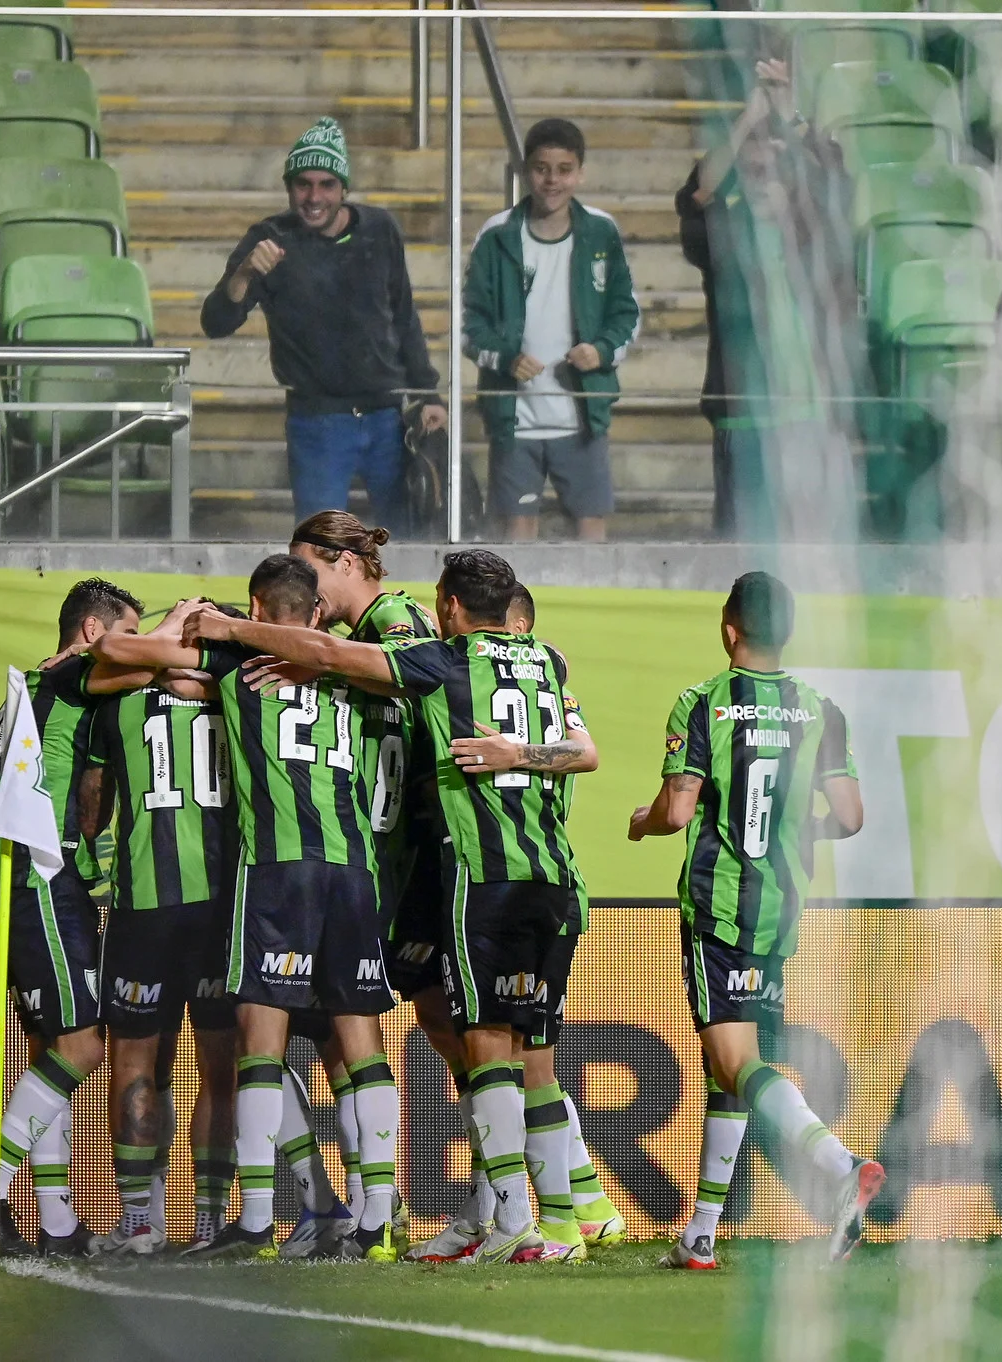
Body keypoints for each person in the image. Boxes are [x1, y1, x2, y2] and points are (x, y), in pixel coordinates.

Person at [178, 549, 600, 1265]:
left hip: (477, 873)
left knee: (486, 1044)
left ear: (451, 608)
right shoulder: (546, 663)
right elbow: (584, 754)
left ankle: (512, 1220)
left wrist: (231, 630)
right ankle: (546, 1217)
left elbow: (321, 651)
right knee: (518, 1050)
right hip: (554, 877)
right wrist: (521, 755)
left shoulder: (439, 661)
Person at [93, 555, 404, 1262]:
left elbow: (117, 649)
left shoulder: (236, 659)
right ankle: (376, 1222)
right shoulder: (352, 669)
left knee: (258, 1044)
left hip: (277, 870)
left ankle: (256, 1220)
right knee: (361, 1046)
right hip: (353, 869)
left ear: (258, 608)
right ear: (318, 612)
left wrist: (204, 627)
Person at [627, 571, 880, 1270]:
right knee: (728, 1066)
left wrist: (641, 825)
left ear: (727, 626)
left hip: (718, 905)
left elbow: (677, 811)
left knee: (736, 1061)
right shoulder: (818, 708)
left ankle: (839, 1166)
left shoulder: (703, 703)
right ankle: (701, 1233)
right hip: (779, 908)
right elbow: (852, 818)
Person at [0, 578, 153, 1258]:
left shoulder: (51, 689)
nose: (134, 651)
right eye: (126, 634)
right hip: (40, 880)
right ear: (93, 634)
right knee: (83, 1047)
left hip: (27, 879)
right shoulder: (71, 678)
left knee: (49, 1050)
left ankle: (59, 1225)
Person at [86, 598, 244, 1256]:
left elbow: (92, 794)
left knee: (135, 1062)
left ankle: (140, 1222)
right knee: (222, 1070)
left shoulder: (119, 702)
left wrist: (92, 872)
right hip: (221, 909)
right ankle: (208, 1221)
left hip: (142, 909)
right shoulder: (241, 698)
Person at [201, 117, 446, 533]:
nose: (314, 196)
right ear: (288, 187)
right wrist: (243, 273)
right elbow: (215, 322)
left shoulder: (380, 229)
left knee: (409, 541)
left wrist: (428, 395)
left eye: (326, 184)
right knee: (317, 549)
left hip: (387, 418)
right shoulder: (270, 238)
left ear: (343, 188)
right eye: (303, 184)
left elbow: (404, 317)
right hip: (317, 422)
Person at [676, 57, 860, 541]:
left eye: (774, 162)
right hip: (745, 415)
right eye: (752, 164)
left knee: (813, 544)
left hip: (809, 414)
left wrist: (791, 117)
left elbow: (838, 177)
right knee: (741, 548)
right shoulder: (724, 237)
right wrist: (748, 120)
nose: (762, 170)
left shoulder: (814, 235)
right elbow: (697, 193)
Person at [464, 118, 639, 542]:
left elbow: (627, 314)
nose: (553, 180)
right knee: (517, 536)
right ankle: (516, 611)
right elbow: (469, 325)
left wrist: (601, 351)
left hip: (582, 415)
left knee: (591, 531)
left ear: (580, 172)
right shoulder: (497, 234)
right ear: (526, 171)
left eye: (564, 169)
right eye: (542, 168)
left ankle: (596, 607)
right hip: (515, 418)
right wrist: (505, 359)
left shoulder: (601, 231)